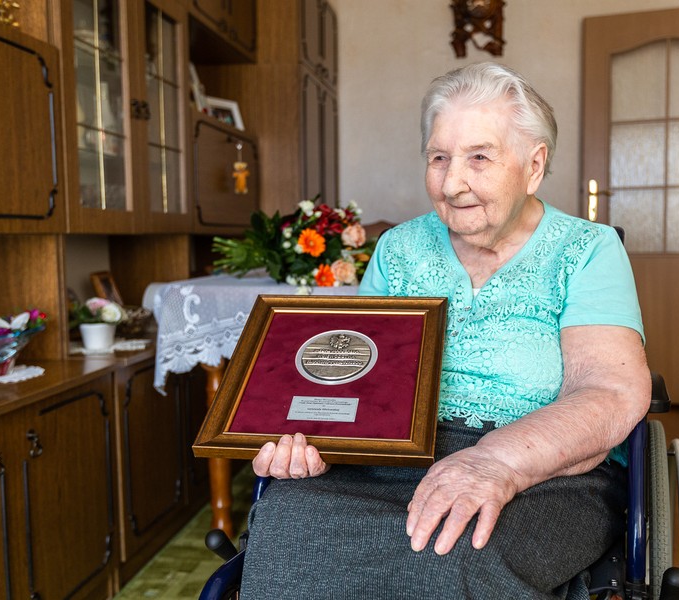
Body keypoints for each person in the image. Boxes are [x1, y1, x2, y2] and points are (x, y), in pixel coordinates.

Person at [240, 62, 651, 600]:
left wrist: (497, 461)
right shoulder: (399, 250)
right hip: (398, 457)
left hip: (547, 473)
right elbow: (359, 384)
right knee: (288, 522)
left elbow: (611, 391)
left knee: (449, 550)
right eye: (438, 158)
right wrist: (305, 437)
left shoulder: (588, 251)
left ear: (534, 165)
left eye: (479, 157)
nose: (452, 183)